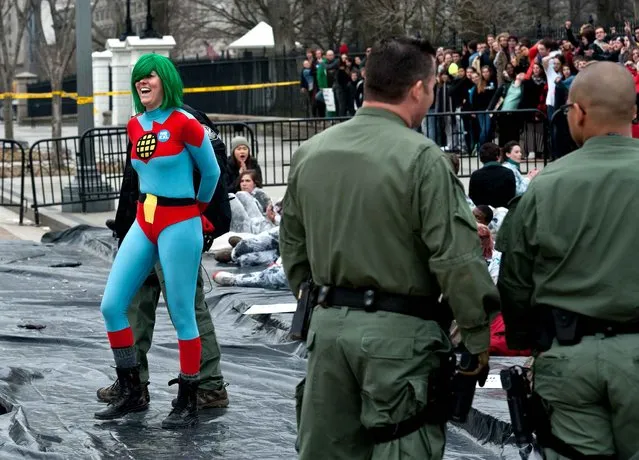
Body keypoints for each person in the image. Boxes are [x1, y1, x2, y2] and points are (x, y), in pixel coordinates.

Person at [281, 36, 500, 460]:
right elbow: (456, 258)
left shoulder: (311, 152)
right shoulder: (422, 158)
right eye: (433, 88)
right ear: (418, 88)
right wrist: (476, 335)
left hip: (328, 331)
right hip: (400, 340)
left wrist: (320, 304)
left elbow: (293, 246)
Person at [498, 61, 639, 459]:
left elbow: (515, 281)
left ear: (577, 113)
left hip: (569, 356)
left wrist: (527, 343)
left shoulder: (544, 188)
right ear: (633, 111)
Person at [94, 53, 220, 429]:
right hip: (144, 218)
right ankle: (132, 391)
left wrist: (193, 212)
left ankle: (188, 399)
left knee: (182, 313)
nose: (141, 82)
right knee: (111, 305)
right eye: (137, 78)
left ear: (165, 80)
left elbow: (212, 172)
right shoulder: (135, 124)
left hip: (179, 220)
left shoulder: (186, 123)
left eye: (149, 76)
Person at [468, 142, 517, 208]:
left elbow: (472, 200)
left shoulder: (476, 175)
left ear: (481, 159)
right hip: (504, 214)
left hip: (483, 215)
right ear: (498, 157)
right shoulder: (508, 173)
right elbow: (512, 198)